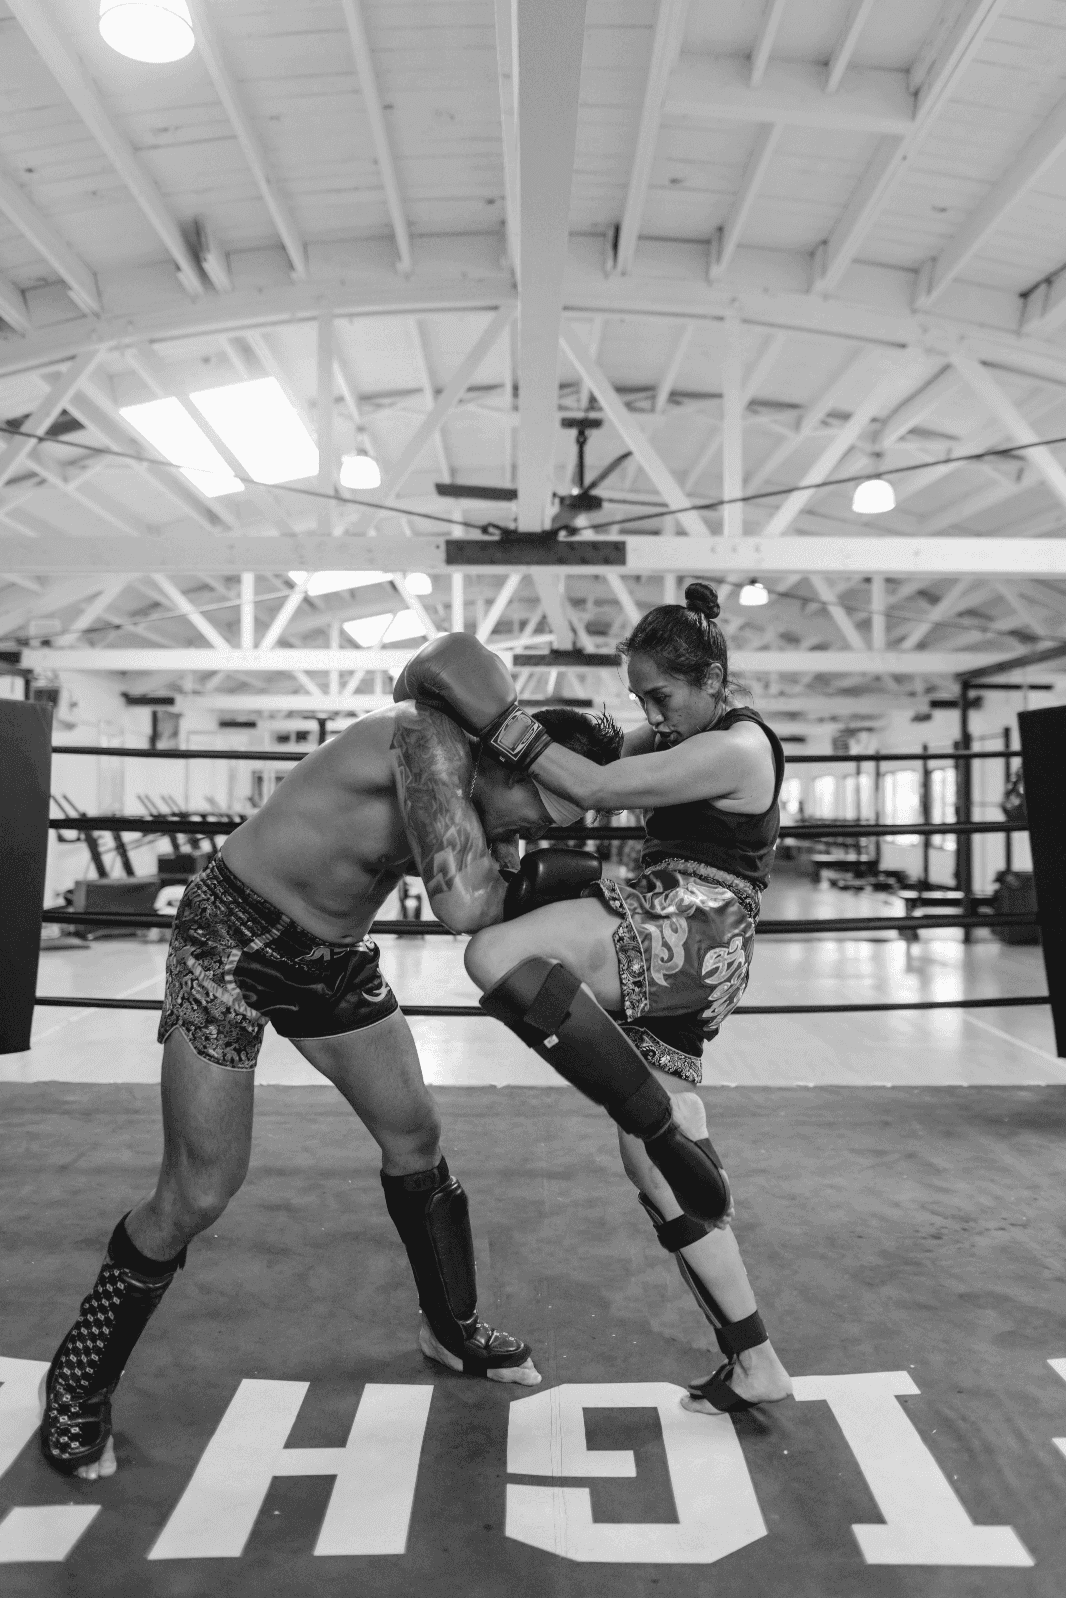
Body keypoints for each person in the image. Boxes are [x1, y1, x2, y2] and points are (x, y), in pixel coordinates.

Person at [39, 697, 623, 1479]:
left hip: (332, 959)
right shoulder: (422, 743)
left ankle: (451, 1327)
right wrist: (567, 878)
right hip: (231, 942)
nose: (538, 833)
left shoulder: (484, 793)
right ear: (507, 758)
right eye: (539, 810)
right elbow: (466, 908)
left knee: (415, 1136)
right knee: (199, 1190)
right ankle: (77, 1374)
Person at [399, 584, 792, 1415]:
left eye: (664, 694)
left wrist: (499, 716)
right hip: (692, 942)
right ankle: (756, 1359)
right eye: (643, 696)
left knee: (497, 949)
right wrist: (543, 731)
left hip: (695, 922)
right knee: (659, 1172)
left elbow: (596, 789)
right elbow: (598, 757)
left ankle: (656, 1120)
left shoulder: (741, 748)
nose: (654, 711)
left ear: (714, 677)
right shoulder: (690, 730)